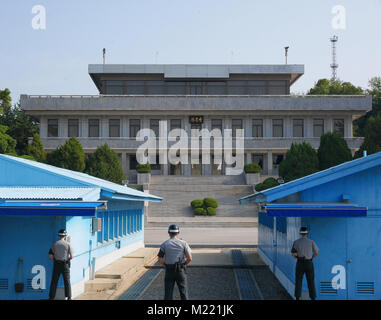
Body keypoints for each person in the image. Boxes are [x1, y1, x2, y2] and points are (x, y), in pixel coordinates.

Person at [157, 224, 192, 300]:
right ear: (178, 233)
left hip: (169, 269)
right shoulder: (183, 243)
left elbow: (159, 259)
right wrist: (183, 264)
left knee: (168, 293)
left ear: (169, 233)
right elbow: (190, 258)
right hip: (180, 269)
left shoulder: (164, 244)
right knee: (183, 292)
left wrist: (166, 265)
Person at [291, 226, 319, 300]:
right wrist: (311, 258)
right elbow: (316, 252)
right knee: (311, 281)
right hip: (309, 263)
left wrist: (298, 258)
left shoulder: (296, 242)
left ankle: (297, 297)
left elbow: (293, 254)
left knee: (298, 280)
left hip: (300, 263)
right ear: (307, 233)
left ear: (300, 233)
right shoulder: (311, 242)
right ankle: (313, 298)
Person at [48, 229, 73, 300]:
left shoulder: (55, 244)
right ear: (65, 235)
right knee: (67, 281)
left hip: (57, 264)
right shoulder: (68, 244)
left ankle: (51, 297)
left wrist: (56, 260)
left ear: (59, 235)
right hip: (65, 264)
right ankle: (69, 297)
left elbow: (50, 256)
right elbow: (71, 256)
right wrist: (67, 260)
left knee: (54, 281)